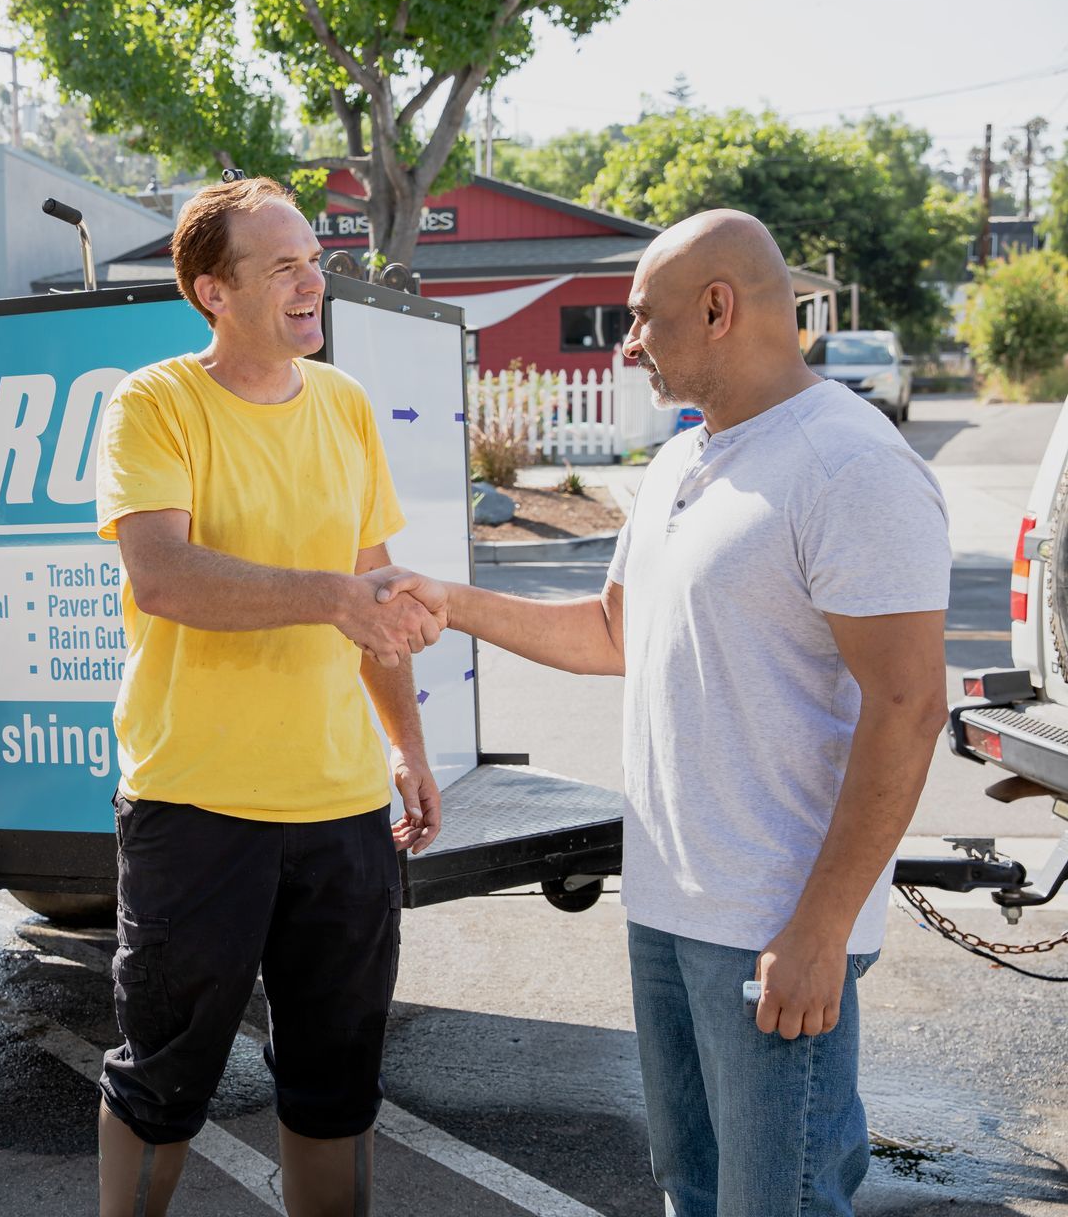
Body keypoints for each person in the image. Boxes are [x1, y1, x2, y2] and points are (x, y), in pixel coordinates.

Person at [403, 210, 950, 1217]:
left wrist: (823, 927)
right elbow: (614, 633)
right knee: (689, 1188)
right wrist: (452, 603)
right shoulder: (680, 464)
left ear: (716, 307)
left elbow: (911, 705)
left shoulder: (847, 464)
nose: (629, 342)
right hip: (667, 908)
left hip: (772, 926)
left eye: (642, 317)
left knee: (773, 1198)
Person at [91, 175, 445, 1217]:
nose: (312, 277)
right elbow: (164, 575)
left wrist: (409, 746)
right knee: (162, 1080)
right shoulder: (155, 403)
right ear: (214, 289)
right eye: (282, 263)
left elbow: (375, 595)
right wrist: (331, 597)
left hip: (340, 809)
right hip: (197, 806)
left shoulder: (342, 403)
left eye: (313, 256)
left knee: (337, 1085)